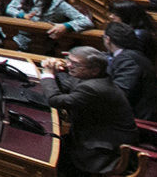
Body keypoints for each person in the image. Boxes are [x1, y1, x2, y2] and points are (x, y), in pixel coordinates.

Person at [41, 46, 141, 175]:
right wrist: (56, 71)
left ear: (94, 70)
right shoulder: (90, 78)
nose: (69, 65)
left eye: (75, 64)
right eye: (68, 60)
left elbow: (55, 100)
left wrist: (48, 75)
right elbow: (67, 86)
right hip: (89, 133)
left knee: (52, 157)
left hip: (103, 148)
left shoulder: (94, 87)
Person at [7, 0, 93, 49]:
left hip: (40, 43)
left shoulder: (58, 3)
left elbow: (86, 21)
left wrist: (65, 26)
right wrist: (22, 15)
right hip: (17, 34)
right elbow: (10, 8)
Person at [105, 22, 157, 121]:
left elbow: (119, 94)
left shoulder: (128, 60)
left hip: (135, 122)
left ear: (107, 39)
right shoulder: (129, 55)